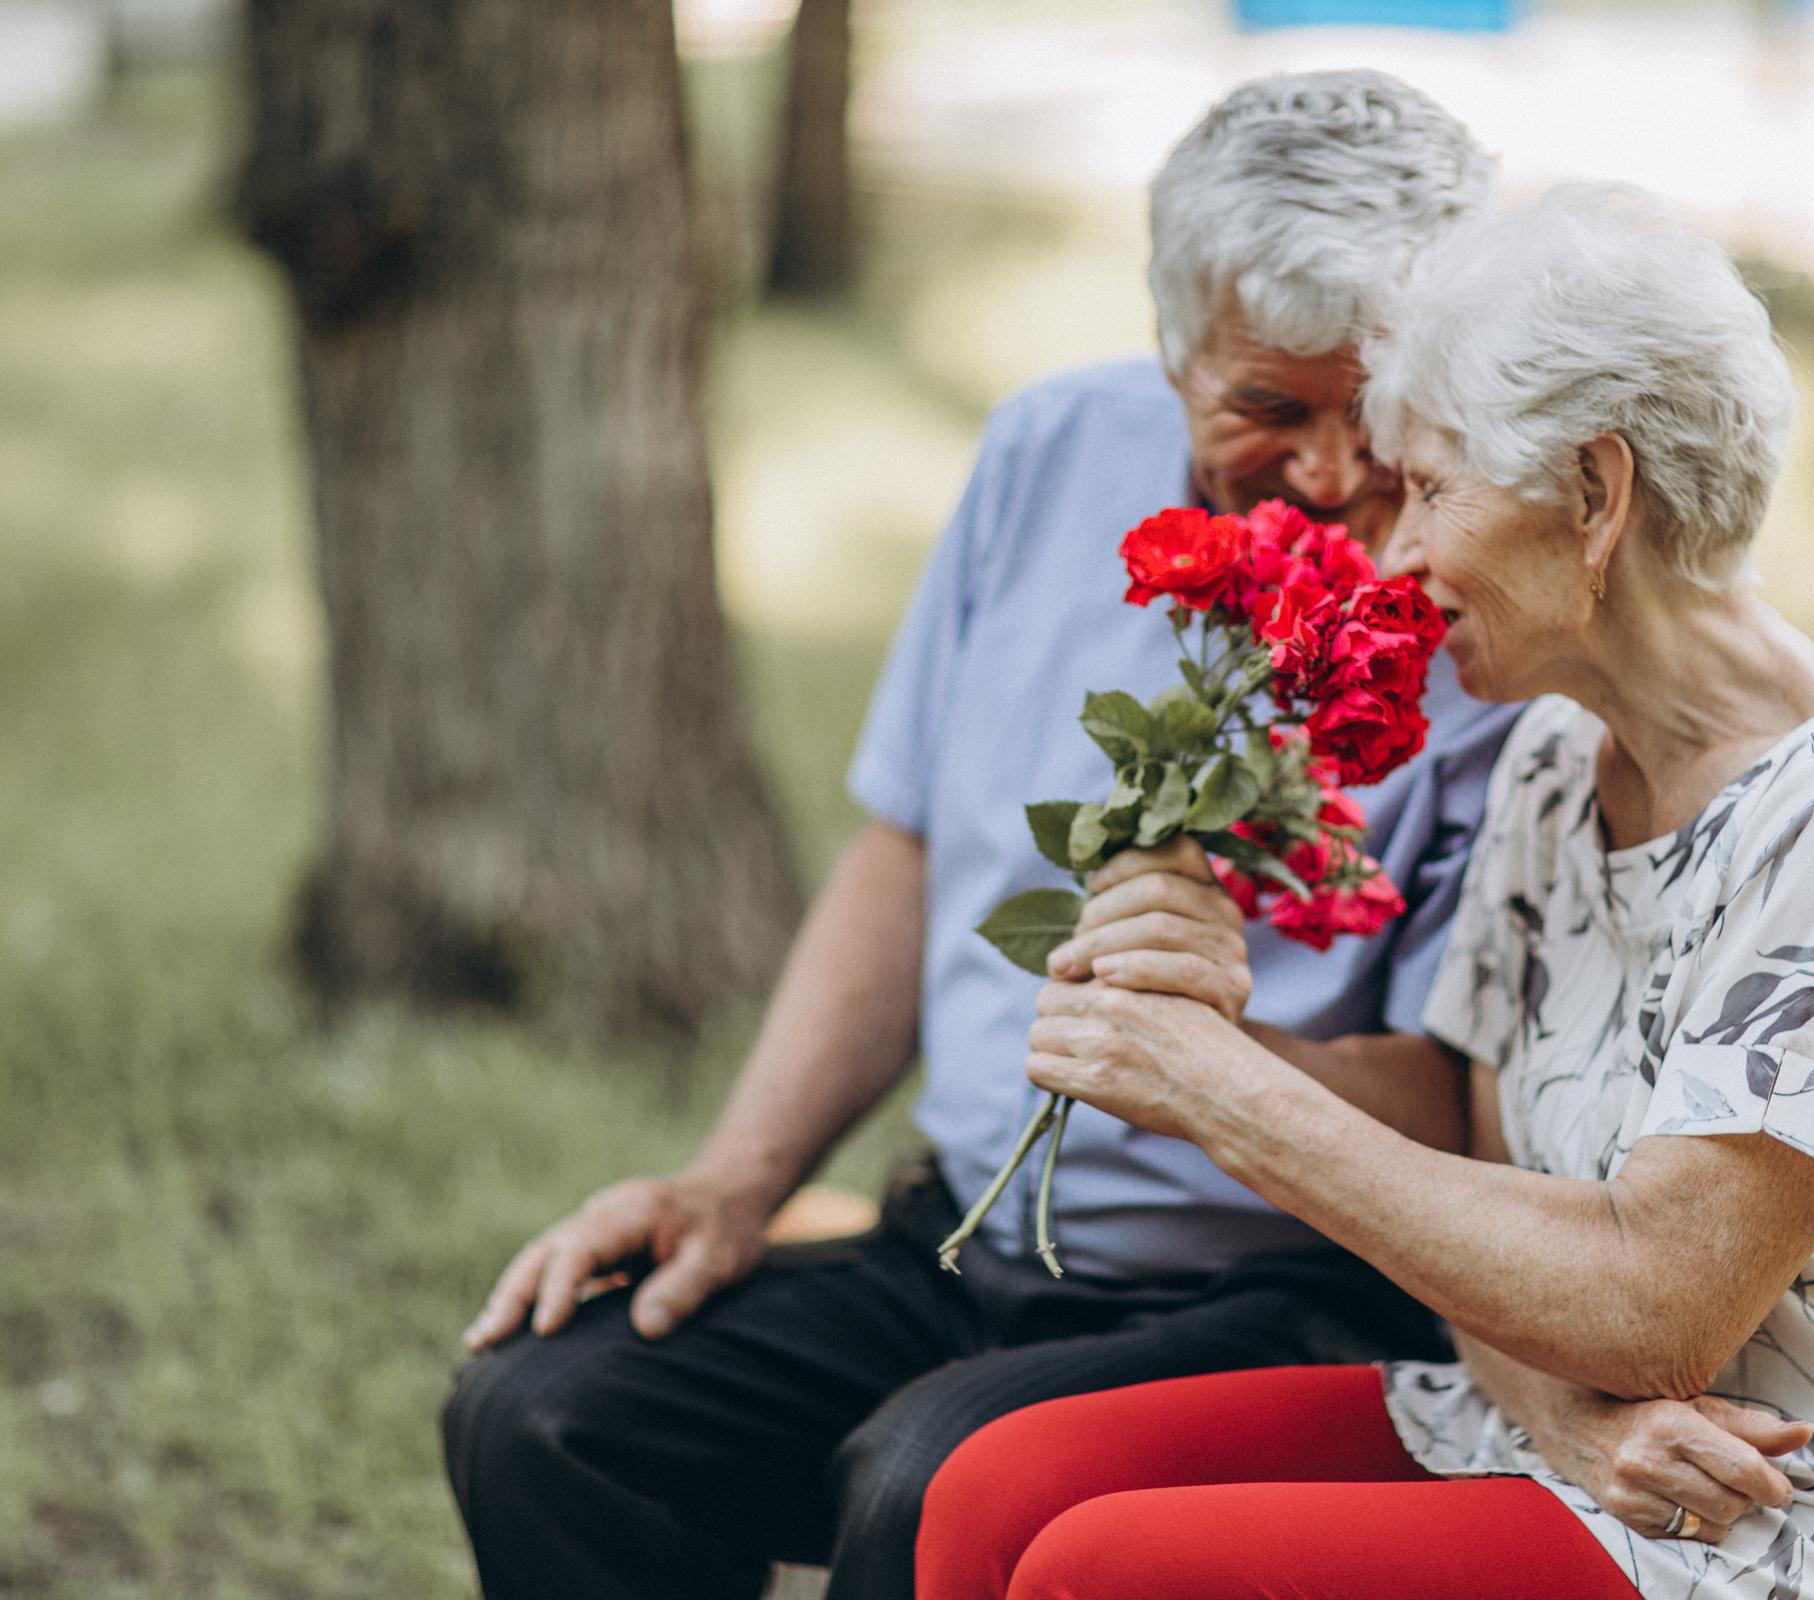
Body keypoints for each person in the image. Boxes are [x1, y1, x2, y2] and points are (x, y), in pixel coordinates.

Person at [441, 71, 1521, 1600]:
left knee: (929, 1483)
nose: (1336, 476)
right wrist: (734, 1184)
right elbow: (908, 855)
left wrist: (1213, 1057)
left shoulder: (1495, 607)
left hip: (1286, 1298)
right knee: (546, 1416)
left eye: (1382, 413)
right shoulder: (1043, 454)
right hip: (956, 1240)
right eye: (1267, 409)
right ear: (1171, 353)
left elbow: (1463, 1119)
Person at [917, 184, 1814, 1600]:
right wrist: (1201, 1028)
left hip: (1790, 1531)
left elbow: (1658, 1310)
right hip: (1550, 1429)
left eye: (1435, 490)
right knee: (990, 1494)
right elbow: (1477, 1157)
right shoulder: (1549, 759)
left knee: (1104, 1573)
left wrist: (1217, 1086)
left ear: (1595, 494)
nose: (1394, 553)